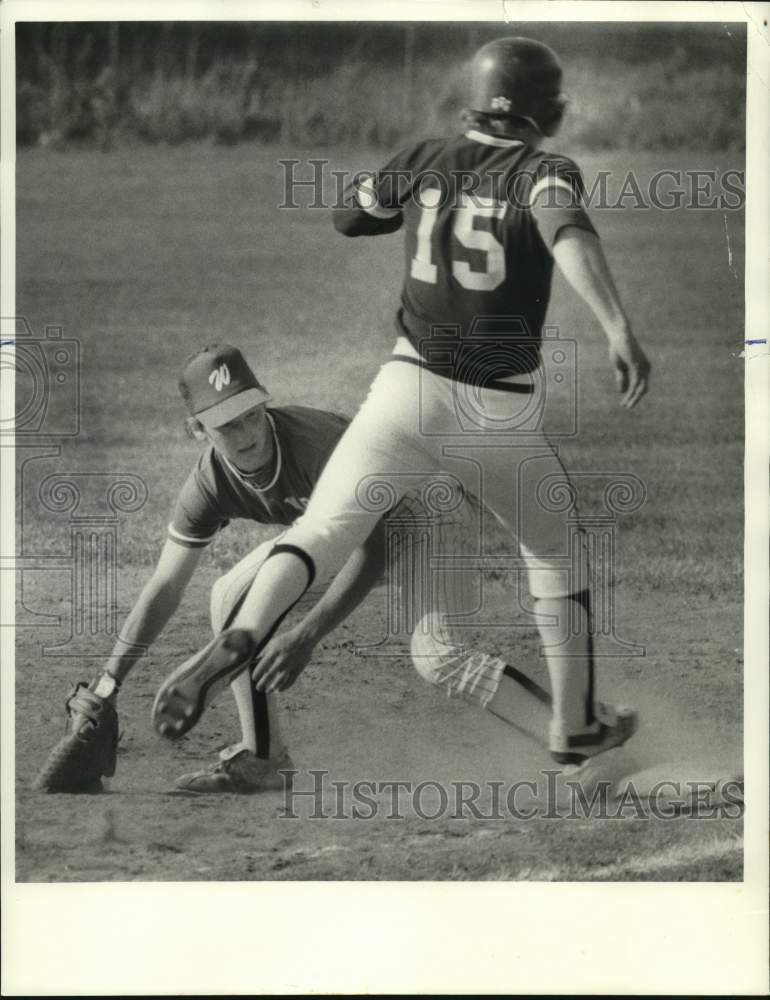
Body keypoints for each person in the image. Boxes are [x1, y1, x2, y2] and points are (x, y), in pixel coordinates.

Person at [151, 36, 650, 768]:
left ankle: (246, 630)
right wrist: (616, 325)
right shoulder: (544, 172)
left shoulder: (422, 158)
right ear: (551, 111)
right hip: (494, 409)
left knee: (320, 530)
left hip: (402, 389)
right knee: (553, 546)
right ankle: (574, 722)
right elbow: (564, 231)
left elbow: (348, 217)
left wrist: (406, 204)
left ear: (474, 101)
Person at [35, 342, 555, 794]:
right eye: (225, 424)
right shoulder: (209, 486)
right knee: (230, 597)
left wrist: (307, 634)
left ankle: (574, 738)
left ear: (265, 403)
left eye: (249, 414)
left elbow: (376, 547)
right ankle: (263, 760)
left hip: (429, 515)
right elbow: (166, 586)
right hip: (348, 532)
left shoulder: (314, 446)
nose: (246, 434)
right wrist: (108, 685)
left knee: (437, 656)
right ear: (196, 429)